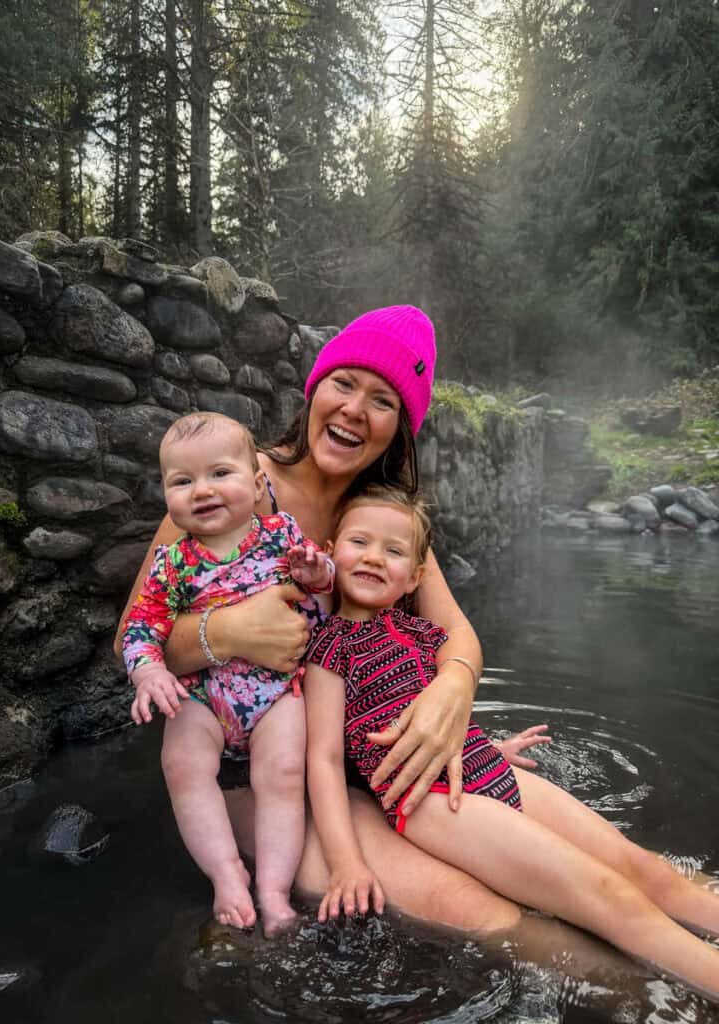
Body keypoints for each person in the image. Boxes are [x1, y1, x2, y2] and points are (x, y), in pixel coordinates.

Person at [114, 305, 703, 962]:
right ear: (314, 388)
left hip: (367, 754)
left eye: (383, 399)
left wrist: (452, 696)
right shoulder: (230, 481)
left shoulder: (379, 519)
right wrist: (232, 631)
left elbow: (456, 635)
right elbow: (136, 639)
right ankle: (646, 1004)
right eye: (344, 383)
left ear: (400, 427)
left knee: (640, 871)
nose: (355, 409)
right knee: (490, 916)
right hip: (260, 773)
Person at [304, 485, 719, 1000]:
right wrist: (346, 861)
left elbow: (438, 715)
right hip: (433, 801)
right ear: (328, 552)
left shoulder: (418, 633)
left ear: (414, 577)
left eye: (392, 550)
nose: (372, 557)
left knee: (645, 870)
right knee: (611, 897)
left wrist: (487, 747)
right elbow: (323, 759)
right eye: (359, 542)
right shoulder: (330, 650)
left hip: (484, 771)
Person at [121, 411, 333, 935]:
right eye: (183, 481)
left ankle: (274, 890)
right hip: (203, 696)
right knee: (182, 765)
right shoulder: (172, 563)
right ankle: (225, 874)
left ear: (259, 484)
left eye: (220, 474)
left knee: (283, 777)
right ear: (166, 494)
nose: (202, 490)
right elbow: (140, 630)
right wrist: (148, 673)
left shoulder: (281, 536)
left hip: (275, 692)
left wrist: (316, 572)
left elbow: (323, 586)